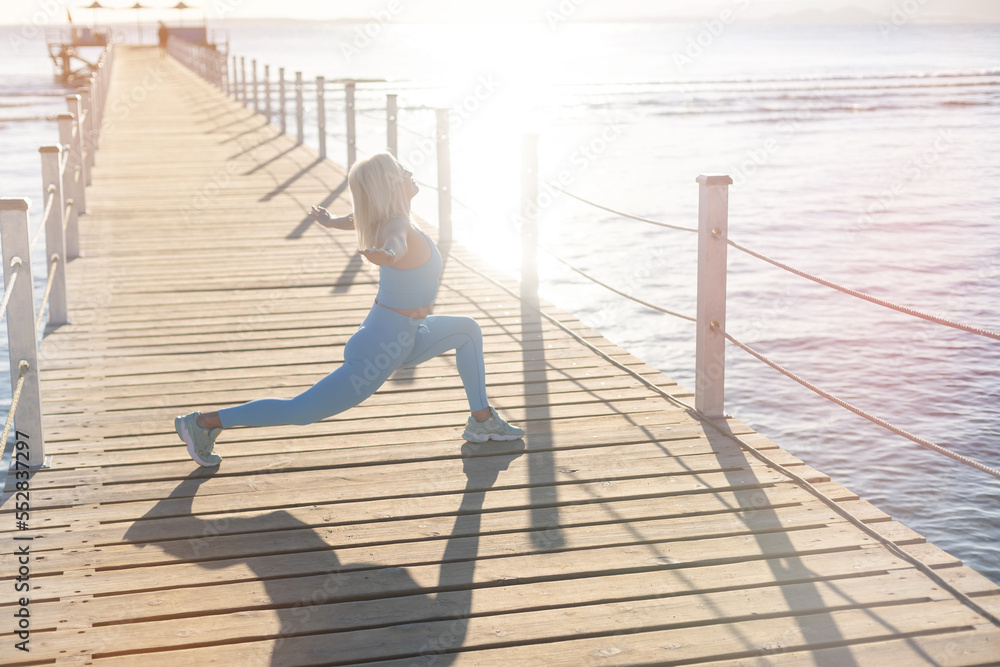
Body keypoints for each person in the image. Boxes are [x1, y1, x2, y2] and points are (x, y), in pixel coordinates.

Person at [175, 153, 524, 467]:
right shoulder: (395, 228)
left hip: (405, 335)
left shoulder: (388, 216)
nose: (411, 171)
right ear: (390, 182)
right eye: (402, 169)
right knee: (301, 411)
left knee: (467, 330)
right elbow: (396, 244)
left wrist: (330, 222)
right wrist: (387, 256)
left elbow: (357, 218)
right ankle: (204, 422)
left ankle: (482, 421)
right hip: (379, 349)